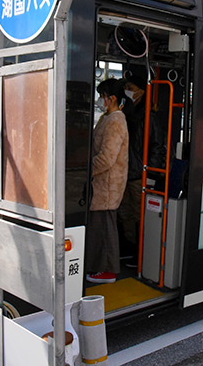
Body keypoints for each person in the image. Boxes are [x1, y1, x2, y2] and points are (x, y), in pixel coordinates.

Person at [118, 74, 166, 268]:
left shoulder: (149, 116)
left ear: (141, 90)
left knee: (139, 216)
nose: (127, 90)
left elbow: (157, 147)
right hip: (127, 173)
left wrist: (149, 172)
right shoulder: (128, 112)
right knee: (126, 215)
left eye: (130, 86)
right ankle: (132, 251)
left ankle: (141, 255)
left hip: (140, 175)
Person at [86, 78, 129, 284]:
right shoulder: (108, 117)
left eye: (102, 96)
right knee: (101, 226)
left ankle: (108, 271)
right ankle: (100, 267)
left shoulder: (115, 121)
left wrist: (86, 170)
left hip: (108, 184)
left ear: (111, 98)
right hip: (103, 184)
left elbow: (107, 158)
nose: (100, 100)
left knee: (105, 227)